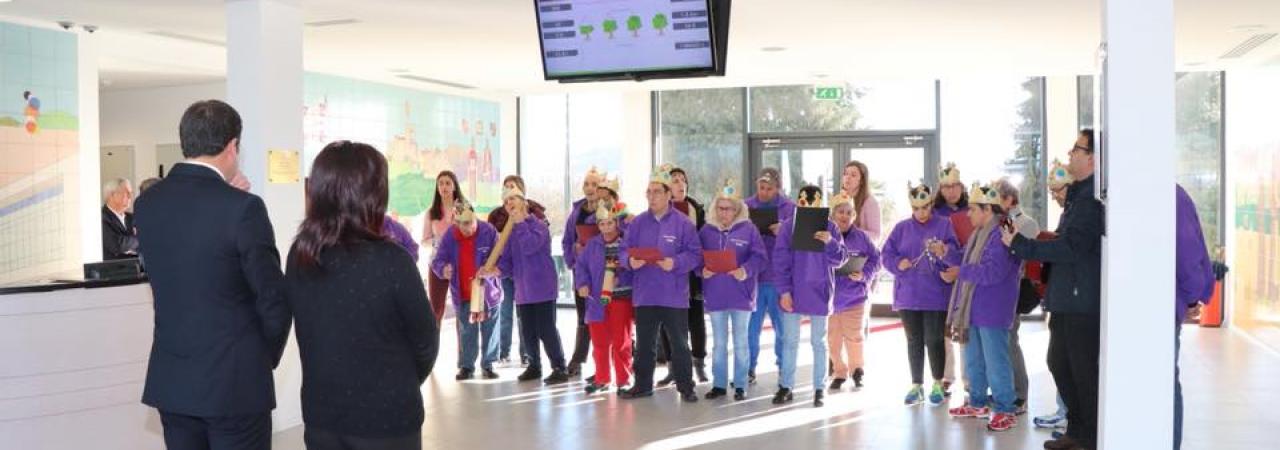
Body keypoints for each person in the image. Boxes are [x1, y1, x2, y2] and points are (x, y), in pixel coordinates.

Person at [134, 100, 289, 450]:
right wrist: (261, 358)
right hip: (235, 383)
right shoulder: (243, 208)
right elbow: (273, 297)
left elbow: (189, 261)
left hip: (173, 381)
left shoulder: (147, 204)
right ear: (232, 146)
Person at [286, 141, 439, 450]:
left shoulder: (300, 254)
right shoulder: (393, 261)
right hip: (387, 420)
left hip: (323, 417)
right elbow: (426, 342)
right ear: (373, 195)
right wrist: (397, 381)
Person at [1004, 129, 1105, 450]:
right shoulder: (1078, 199)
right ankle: (1077, 430)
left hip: (1081, 301)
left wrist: (1024, 245)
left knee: (1080, 371)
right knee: (1060, 363)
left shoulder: (1089, 202)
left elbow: (1072, 248)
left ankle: (1088, 437)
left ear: (1093, 159)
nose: (1070, 153)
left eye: (1077, 148)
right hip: (1067, 299)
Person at [619, 168, 703, 402]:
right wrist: (630, 261)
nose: (652, 196)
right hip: (645, 293)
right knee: (645, 343)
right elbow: (624, 251)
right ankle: (642, 385)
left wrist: (675, 263)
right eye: (649, 192)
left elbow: (695, 255)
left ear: (668, 195)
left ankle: (686, 386)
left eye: (657, 192)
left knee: (679, 344)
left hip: (673, 294)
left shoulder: (683, 223)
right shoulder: (637, 223)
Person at [945, 182, 1023, 432]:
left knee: (996, 362)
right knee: (974, 360)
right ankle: (977, 402)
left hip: (994, 309)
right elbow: (966, 258)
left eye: (972, 209)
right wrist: (945, 252)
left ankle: (1005, 409)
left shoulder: (1003, 231)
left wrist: (960, 272)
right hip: (974, 309)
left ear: (988, 209)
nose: (968, 214)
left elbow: (993, 272)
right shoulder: (980, 233)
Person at [883, 183, 960, 406]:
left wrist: (943, 251)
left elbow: (956, 254)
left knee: (935, 339)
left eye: (925, 207)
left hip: (936, 294)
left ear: (931, 204)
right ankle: (916, 384)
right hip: (908, 295)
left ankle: (938, 382)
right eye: (916, 208)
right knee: (913, 340)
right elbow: (885, 254)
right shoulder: (901, 228)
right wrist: (898, 263)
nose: (921, 212)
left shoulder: (944, 225)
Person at [773, 186, 848, 408]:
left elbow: (840, 259)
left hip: (820, 291)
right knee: (790, 341)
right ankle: (786, 386)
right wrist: (784, 291)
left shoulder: (830, 227)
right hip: (794, 291)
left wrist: (831, 242)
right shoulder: (789, 227)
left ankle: (819, 388)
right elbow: (780, 261)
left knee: (819, 342)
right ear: (798, 203)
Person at [698, 181, 767, 401]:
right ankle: (719, 384)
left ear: (737, 210)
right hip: (715, 294)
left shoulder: (749, 229)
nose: (724, 212)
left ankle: (740, 384)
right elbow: (696, 257)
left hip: (741, 295)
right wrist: (701, 270)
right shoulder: (706, 231)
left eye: (728, 209)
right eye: (720, 208)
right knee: (719, 344)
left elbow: (760, 258)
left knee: (740, 342)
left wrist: (745, 270)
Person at [499, 186, 571, 385]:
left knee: (546, 329)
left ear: (524, 203)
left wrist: (520, 223)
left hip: (543, 288)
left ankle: (559, 367)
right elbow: (507, 261)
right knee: (527, 331)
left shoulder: (539, 226)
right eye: (506, 201)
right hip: (523, 290)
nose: (509, 203)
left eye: (513, 198)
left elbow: (530, 246)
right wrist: (496, 270)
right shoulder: (510, 232)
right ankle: (534, 365)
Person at [431, 199, 503, 381]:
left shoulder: (488, 231)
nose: (467, 227)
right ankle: (467, 366)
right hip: (463, 293)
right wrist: (443, 269)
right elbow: (437, 261)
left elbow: (502, 256)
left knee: (490, 329)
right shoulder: (449, 236)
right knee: (467, 332)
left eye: (470, 222)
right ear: (455, 222)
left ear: (475, 217)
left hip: (488, 293)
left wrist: (495, 269)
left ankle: (489, 364)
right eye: (462, 223)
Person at [574, 197, 634, 395]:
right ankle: (602, 378)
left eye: (609, 223)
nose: (606, 228)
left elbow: (633, 269)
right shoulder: (592, 245)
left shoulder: (626, 243)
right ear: (597, 225)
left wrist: (621, 279)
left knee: (621, 341)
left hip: (620, 299)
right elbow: (581, 266)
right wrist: (582, 284)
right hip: (596, 300)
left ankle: (624, 379)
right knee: (599, 342)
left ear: (616, 223)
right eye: (602, 224)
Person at [993, 177, 1041, 415]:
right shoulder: (998, 222)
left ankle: (1020, 394)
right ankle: (1005, 391)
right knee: (1002, 342)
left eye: (996, 197)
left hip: (1015, 289)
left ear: (1009, 199)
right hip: (999, 288)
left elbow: (1024, 257)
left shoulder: (1026, 223)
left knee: (1010, 341)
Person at [487, 175, 546, 367]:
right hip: (505, 268)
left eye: (512, 188)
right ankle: (503, 352)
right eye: (506, 188)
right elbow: (494, 242)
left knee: (524, 315)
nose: (509, 194)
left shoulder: (535, 212)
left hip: (526, 272)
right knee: (505, 312)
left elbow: (536, 241)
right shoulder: (496, 215)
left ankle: (526, 353)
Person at [658, 166, 710, 384]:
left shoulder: (697, 209)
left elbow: (704, 239)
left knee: (696, 320)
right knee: (668, 321)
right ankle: (673, 367)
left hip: (693, 273)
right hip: (667, 272)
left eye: (683, 179)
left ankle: (699, 364)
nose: (680, 183)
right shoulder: (659, 210)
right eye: (675, 180)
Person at [1173, 184, 1215, 450]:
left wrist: (1190, 298)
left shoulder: (1171, 196)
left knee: (1165, 381)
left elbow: (1187, 252)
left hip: (1166, 306)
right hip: (1162, 305)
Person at [744, 167, 795, 384]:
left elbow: (802, 239)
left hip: (778, 278)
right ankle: (748, 368)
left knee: (782, 328)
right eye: (761, 187)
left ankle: (784, 367)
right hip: (753, 278)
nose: (764, 192)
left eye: (769, 188)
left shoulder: (790, 208)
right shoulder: (745, 206)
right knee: (751, 328)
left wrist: (784, 230)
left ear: (778, 188)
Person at [1033, 159, 1073, 433]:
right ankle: (1065, 411)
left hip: (1074, 299)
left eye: (1058, 190)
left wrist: (1038, 246)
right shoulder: (1068, 213)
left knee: (1067, 360)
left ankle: (1072, 415)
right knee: (1058, 359)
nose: (1055, 196)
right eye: (1052, 192)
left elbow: (1067, 250)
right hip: (1061, 297)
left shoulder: (1082, 213)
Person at [828, 191, 881, 391]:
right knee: (833, 340)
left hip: (855, 298)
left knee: (855, 337)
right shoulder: (825, 236)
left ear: (854, 216)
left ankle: (857, 370)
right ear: (833, 214)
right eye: (840, 211)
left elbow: (876, 260)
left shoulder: (862, 238)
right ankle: (839, 372)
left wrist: (864, 275)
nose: (844, 216)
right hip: (829, 300)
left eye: (849, 212)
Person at [561, 167, 605, 377]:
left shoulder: (609, 209)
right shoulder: (576, 212)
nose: (589, 188)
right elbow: (567, 241)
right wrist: (573, 258)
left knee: (605, 318)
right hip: (582, 272)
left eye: (594, 184)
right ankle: (578, 359)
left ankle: (607, 364)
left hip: (604, 273)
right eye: (586, 184)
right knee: (583, 317)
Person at [933, 162, 969, 391]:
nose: (951, 191)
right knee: (944, 330)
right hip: (943, 277)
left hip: (969, 275)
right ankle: (947, 376)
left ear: (962, 186)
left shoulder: (973, 210)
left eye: (955, 185)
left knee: (966, 329)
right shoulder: (934, 213)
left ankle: (970, 380)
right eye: (946, 186)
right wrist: (944, 270)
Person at [423, 170, 467, 323]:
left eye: (448, 183)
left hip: (461, 264)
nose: (444, 187)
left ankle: (464, 341)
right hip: (437, 265)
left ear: (454, 186)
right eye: (440, 183)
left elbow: (472, 235)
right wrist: (439, 241)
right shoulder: (431, 212)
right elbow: (425, 240)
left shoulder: (463, 209)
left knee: (462, 311)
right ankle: (433, 340)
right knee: (436, 311)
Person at [841, 161, 882, 242]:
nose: (847, 177)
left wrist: (853, 233)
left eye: (853, 175)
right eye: (845, 174)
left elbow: (876, 235)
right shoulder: (840, 200)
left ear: (862, 181)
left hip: (861, 249)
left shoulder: (870, 202)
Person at [102, 178, 139, 260]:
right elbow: (116, 245)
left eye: (131, 193)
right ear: (112, 195)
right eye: (126, 193)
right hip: (113, 267)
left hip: (137, 266)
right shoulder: (101, 217)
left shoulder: (133, 217)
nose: (130, 197)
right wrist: (139, 238)